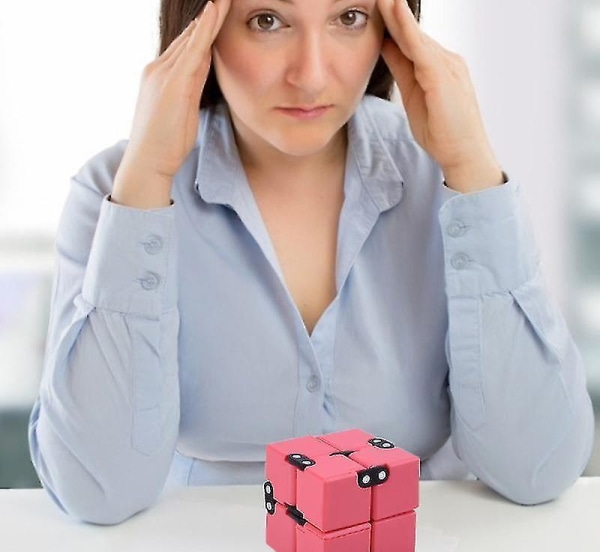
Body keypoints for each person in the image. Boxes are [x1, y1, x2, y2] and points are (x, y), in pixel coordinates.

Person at [29, 0, 594, 525]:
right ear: (201, 28)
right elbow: (98, 490)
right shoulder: (116, 192)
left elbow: (538, 468)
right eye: (268, 21)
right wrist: (147, 179)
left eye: (348, 17)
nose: (312, 75)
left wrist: (472, 168)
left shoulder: (447, 178)